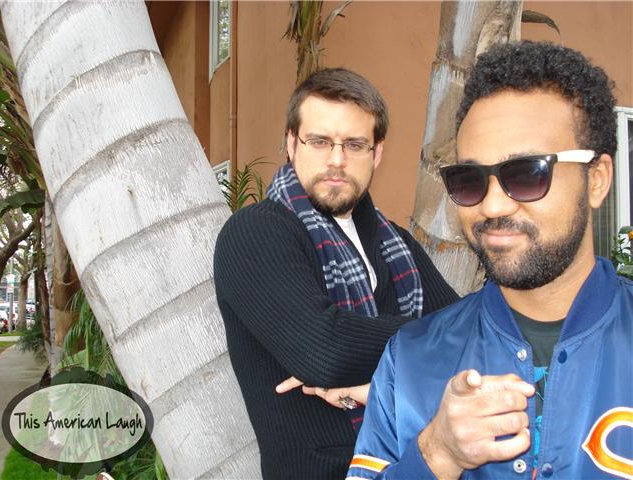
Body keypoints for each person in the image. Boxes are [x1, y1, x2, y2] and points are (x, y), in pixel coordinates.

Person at [348, 41, 632, 480]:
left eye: (527, 173)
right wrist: (435, 454)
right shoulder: (411, 360)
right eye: (469, 179)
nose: (493, 205)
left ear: (596, 180)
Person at [213, 68, 458, 479]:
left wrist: (372, 378)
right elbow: (324, 352)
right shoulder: (255, 232)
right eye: (319, 141)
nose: (337, 160)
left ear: (376, 153)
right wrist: (430, 339)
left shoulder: (396, 243)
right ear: (292, 143)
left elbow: (470, 336)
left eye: (355, 144)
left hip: (416, 464)